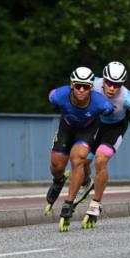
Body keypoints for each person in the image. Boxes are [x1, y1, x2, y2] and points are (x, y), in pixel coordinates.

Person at [45, 67, 114, 229]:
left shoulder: (101, 104)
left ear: (91, 88)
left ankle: (68, 204)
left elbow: (112, 115)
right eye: (78, 86)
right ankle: (58, 181)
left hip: (87, 130)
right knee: (57, 166)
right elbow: (51, 95)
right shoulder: (57, 96)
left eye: (86, 86)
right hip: (66, 128)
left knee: (78, 159)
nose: (81, 90)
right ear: (71, 85)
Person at [81, 61, 130, 229]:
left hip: (115, 128)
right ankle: (86, 183)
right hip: (96, 124)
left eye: (117, 85)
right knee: (83, 161)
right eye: (109, 83)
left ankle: (96, 203)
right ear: (103, 80)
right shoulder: (92, 84)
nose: (112, 88)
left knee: (100, 160)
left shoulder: (129, 99)